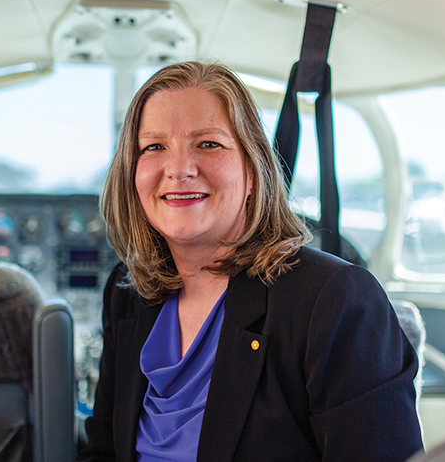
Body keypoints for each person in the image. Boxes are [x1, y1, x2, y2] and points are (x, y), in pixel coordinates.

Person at [77, 61, 423, 461]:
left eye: (208, 144)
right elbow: (102, 449)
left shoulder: (335, 300)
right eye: (154, 147)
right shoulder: (128, 290)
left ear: (253, 171)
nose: (179, 169)